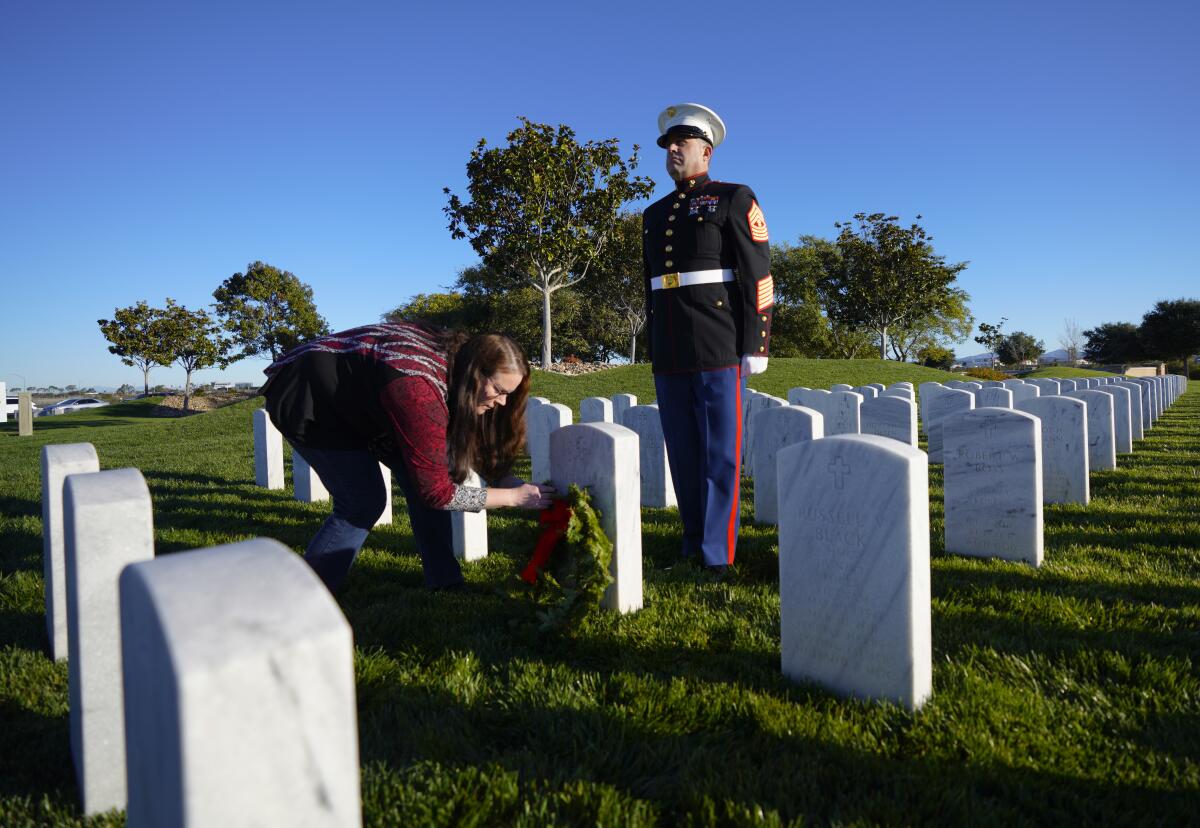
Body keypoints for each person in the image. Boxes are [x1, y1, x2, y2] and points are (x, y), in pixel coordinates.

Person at [260, 321, 554, 593]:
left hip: (363, 398)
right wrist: (513, 498)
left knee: (420, 477)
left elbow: (460, 447)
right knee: (362, 502)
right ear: (474, 372)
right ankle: (304, 596)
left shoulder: (456, 364)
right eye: (499, 391)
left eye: (509, 395)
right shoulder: (417, 389)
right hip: (309, 398)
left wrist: (505, 478)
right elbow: (437, 494)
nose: (502, 402)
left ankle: (445, 583)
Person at [642, 102, 773, 574]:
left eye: (682, 143)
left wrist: (756, 343)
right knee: (682, 450)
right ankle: (691, 543)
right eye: (668, 145)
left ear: (706, 151)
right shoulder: (654, 213)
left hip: (719, 342)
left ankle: (718, 554)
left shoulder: (733, 198)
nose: (673, 149)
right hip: (671, 344)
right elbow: (651, 285)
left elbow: (758, 273)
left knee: (720, 454)